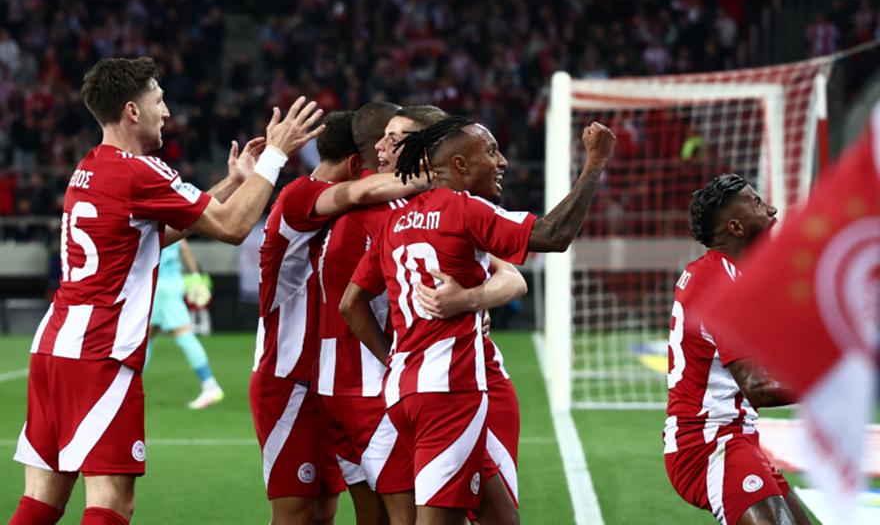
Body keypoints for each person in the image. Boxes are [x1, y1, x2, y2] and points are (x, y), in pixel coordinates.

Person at [10, 56, 323, 525]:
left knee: (41, 502)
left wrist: (232, 182)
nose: (167, 112)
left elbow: (153, 233)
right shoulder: (141, 171)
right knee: (112, 503)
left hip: (54, 347)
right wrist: (276, 156)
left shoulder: (89, 168)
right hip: (100, 353)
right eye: (159, 100)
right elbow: (234, 227)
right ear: (132, 110)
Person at [341, 116, 616, 524]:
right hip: (450, 391)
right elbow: (553, 235)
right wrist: (594, 164)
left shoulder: (395, 222)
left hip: (405, 390)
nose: (502, 161)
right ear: (460, 165)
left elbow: (351, 303)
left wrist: (396, 358)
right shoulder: (464, 208)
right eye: (491, 152)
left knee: (501, 518)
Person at [250, 110, 420, 525]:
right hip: (287, 377)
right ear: (353, 164)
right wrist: (435, 175)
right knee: (296, 512)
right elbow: (359, 192)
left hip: (328, 377)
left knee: (325, 509)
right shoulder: (301, 196)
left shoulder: (343, 211)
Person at [662, 174, 811, 525]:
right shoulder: (717, 284)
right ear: (736, 227)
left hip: (738, 439)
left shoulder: (728, 275)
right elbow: (757, 387)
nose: (772, 209)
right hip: (707, 445)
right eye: (757, 203)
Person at [146, 238, 223, 409]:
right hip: (172, 282)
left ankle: (210, 385)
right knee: (147, 336)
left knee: (182, 334)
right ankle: (128, 384)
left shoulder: (152, 224)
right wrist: (195, 277)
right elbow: (184, 247)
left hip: (159, 286)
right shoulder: (173, 223)